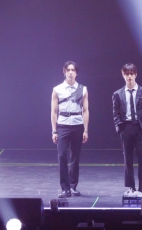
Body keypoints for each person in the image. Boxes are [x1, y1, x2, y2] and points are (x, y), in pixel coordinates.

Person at [112, 63, 142, 198]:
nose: (129, 76)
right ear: (123, 75)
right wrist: (120, 128)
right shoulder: (117, 94)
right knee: (128, 159)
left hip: (141, 128)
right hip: (126, 127)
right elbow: (115, 113)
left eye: (131, 74)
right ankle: (131, 187)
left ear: (135, 74)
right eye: (127, 74)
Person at [50, 61, 89, 198]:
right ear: (64, 72)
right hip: (63, 125)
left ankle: (73, 186)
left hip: (77, 125)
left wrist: (85, 130)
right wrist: (54, 131)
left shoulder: (83, 89)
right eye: (68, 70)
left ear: (76, 73)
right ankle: (64, 188)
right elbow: (54, 111)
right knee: (62, 156)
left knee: (75, 156)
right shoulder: (57, 89)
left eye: (73, 70)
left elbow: (85, 110)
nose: (71, 72)